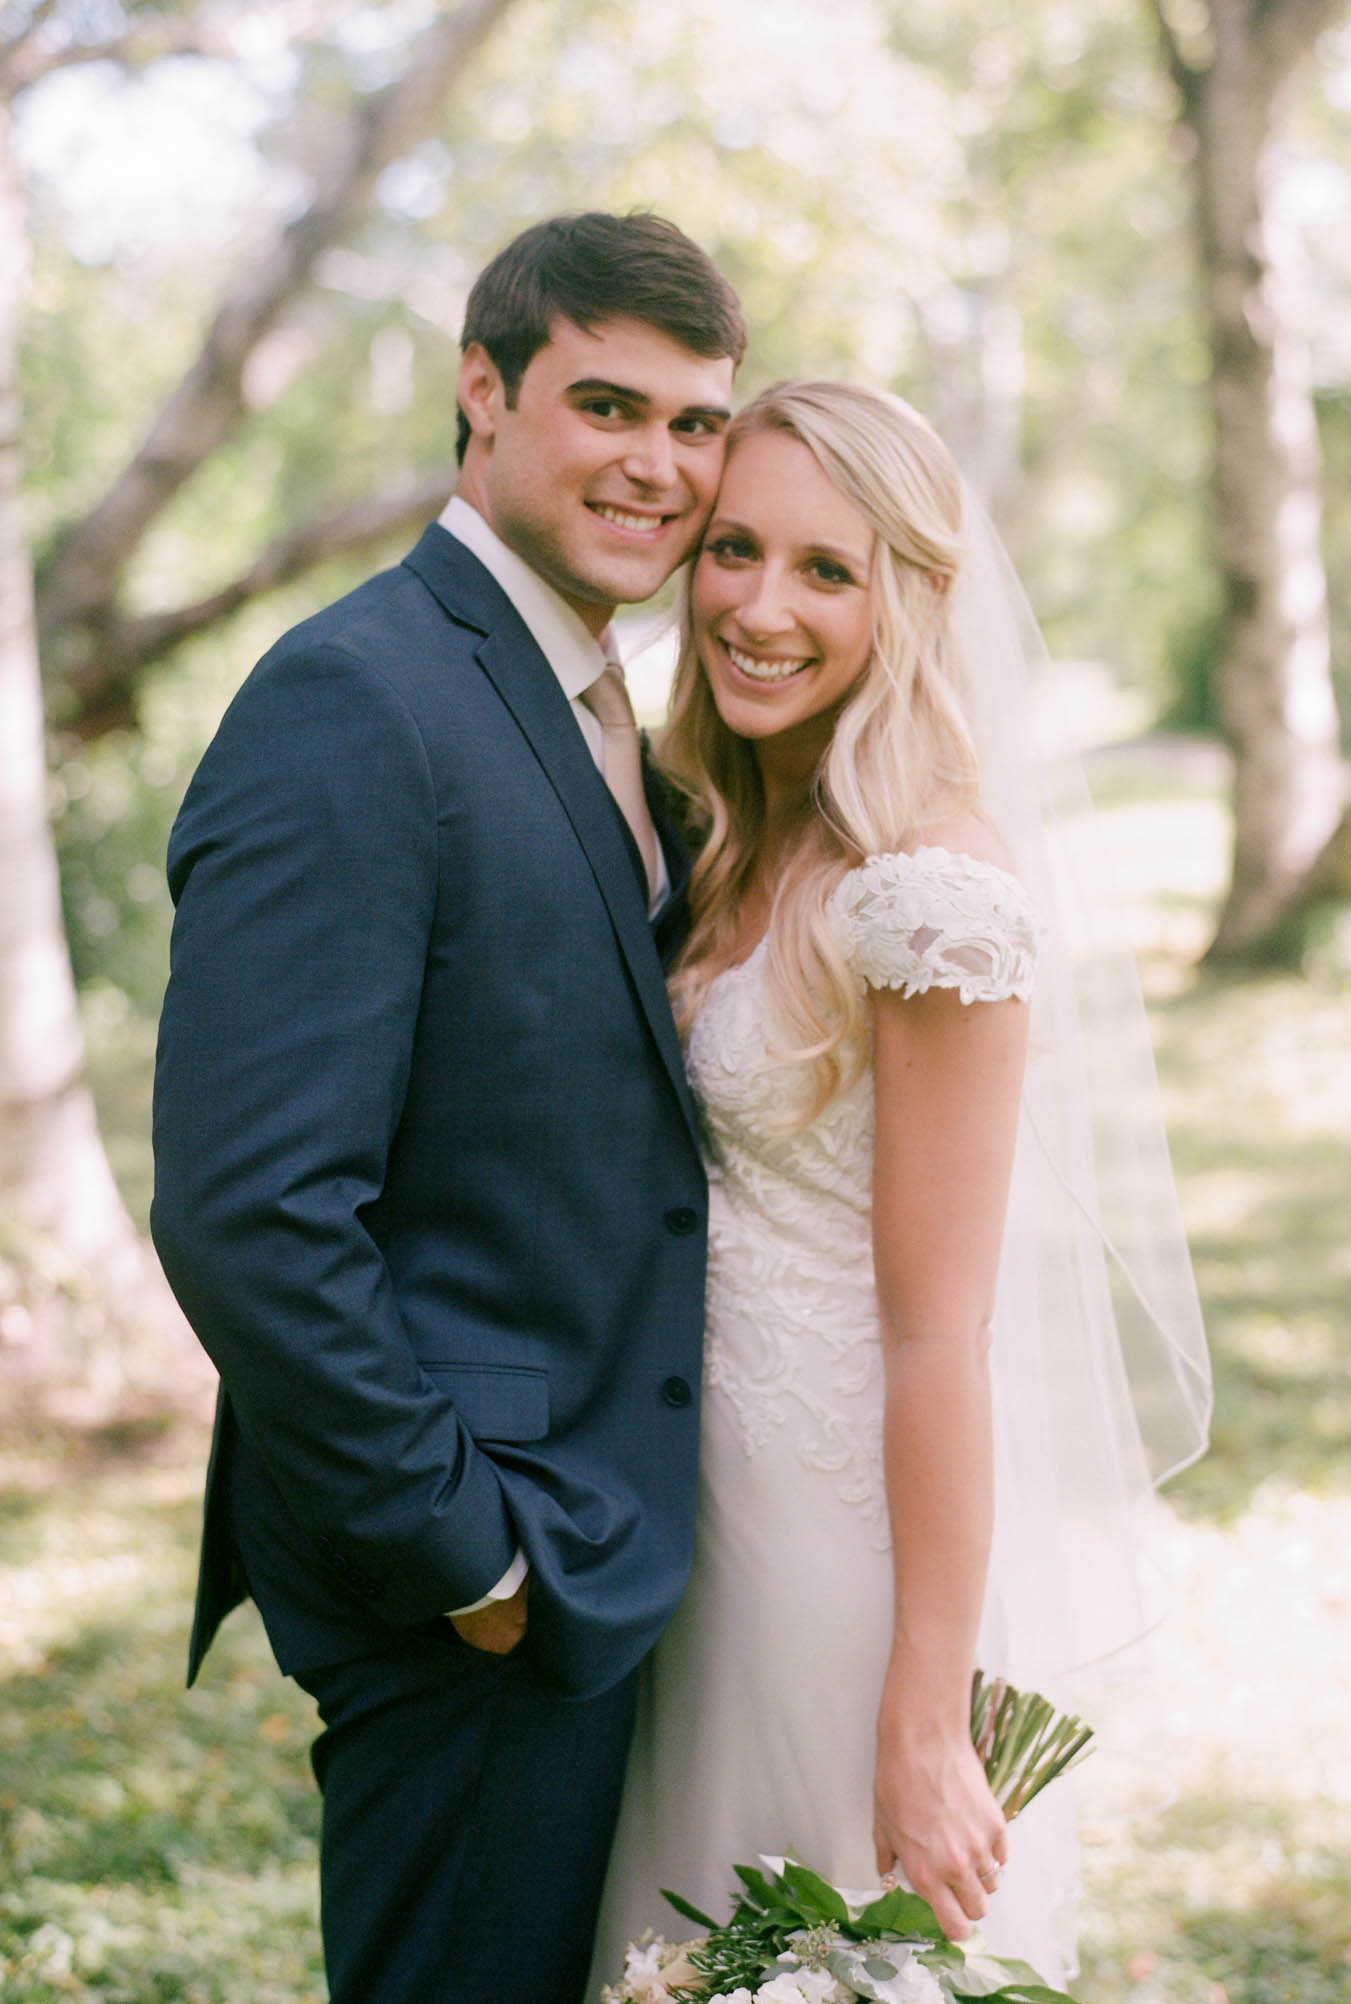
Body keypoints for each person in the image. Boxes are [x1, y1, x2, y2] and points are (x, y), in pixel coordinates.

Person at [150, 211, 745, 2004]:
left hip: (607, 1530)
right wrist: (468, 1552)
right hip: (484, 1562)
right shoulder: (355, 696)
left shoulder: (594, 695)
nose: (658, 466)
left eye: (697, 424)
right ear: (481, 394)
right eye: (607, 405)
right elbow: (251, 1210)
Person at [588, 382, 1211, 1990]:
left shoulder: (930, 893)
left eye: (827, 571)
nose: (761, 608)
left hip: (829, 1547)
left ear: (913, 597)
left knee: (797, 1943)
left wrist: (925, 1714)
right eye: (733, 551)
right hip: (678, 1518)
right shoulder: (728, 834)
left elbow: (943, 1332)